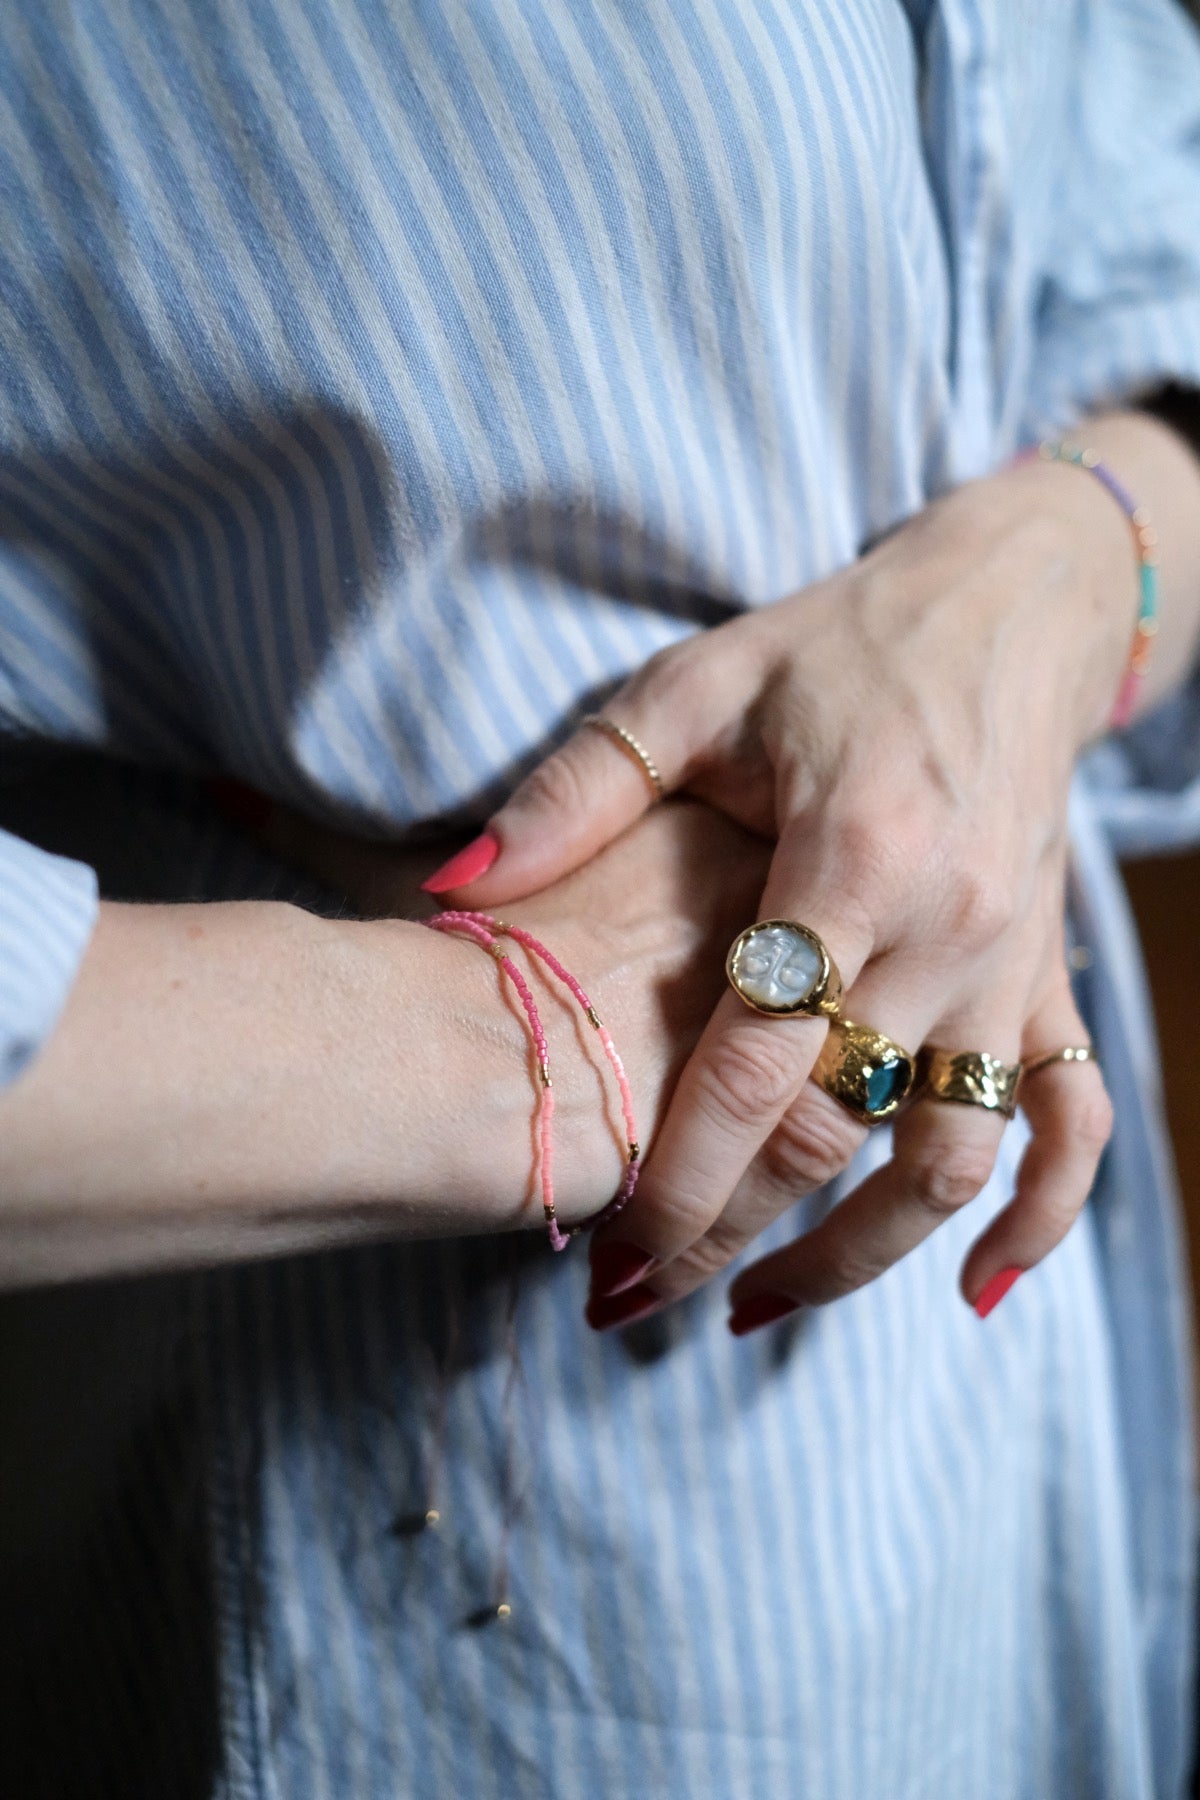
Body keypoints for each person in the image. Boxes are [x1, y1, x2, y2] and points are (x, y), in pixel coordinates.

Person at [2, 1, 1200, 1794]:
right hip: (429, 1470)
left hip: (997, 1380)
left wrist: (1043, 588)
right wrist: (518, 1041)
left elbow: (1156, 275)